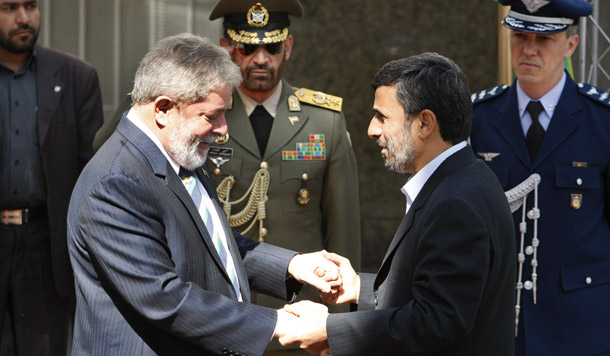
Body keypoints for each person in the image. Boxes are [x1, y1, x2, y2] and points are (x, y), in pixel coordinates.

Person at [67, 32, 343, 356]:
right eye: (212, 116)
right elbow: (165, 298)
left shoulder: (179, 148)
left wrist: (291, 265)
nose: (224, 128)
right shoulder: (116, 184)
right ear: (163, 109)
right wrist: (279, 323)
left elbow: (212, 242)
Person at [279, 52, 517, 356]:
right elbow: (431, 295)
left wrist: (330, 331)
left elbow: (436, 322)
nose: (372, 130)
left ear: (424, 123)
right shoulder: (464, 178)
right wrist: (360, 289)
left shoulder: (453, 202)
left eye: (383, 117)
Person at [208, 1, 361, 354]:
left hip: (303, 318)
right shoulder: (206, 117)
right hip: (225, 314)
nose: (261, 59)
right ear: (226, 48)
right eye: (247, 48)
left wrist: (338, 328)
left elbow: (343, 232)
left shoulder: (325, 120)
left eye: (272, 47)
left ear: (287, 47)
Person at [469, 0, 610, 355]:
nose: (528, 49)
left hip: (580, 323)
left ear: (571, 45)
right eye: (519, 36)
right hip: (495, 319)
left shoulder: (602, 121)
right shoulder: (476, 119)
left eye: (544, 40)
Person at [0, 0, 103, 354]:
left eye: (31, 6)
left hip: (46, 248)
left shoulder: (76, 77)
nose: (24, 18)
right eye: (9, 7)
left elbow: (94, 175)